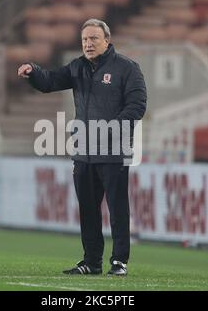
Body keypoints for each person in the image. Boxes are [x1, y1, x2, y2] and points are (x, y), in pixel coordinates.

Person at [18, 19, 147, 276]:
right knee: (88, 210)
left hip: (113, 151)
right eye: (85, 40)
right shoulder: (78, 67)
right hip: (84, 152)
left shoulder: (127, 68)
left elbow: (137, 105)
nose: (88, 44)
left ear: (107, 40)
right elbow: (50, 81)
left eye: (93, 39)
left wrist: (112, 127)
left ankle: (119, 261)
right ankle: (92, 261)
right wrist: (33, 71)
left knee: (117, 208)